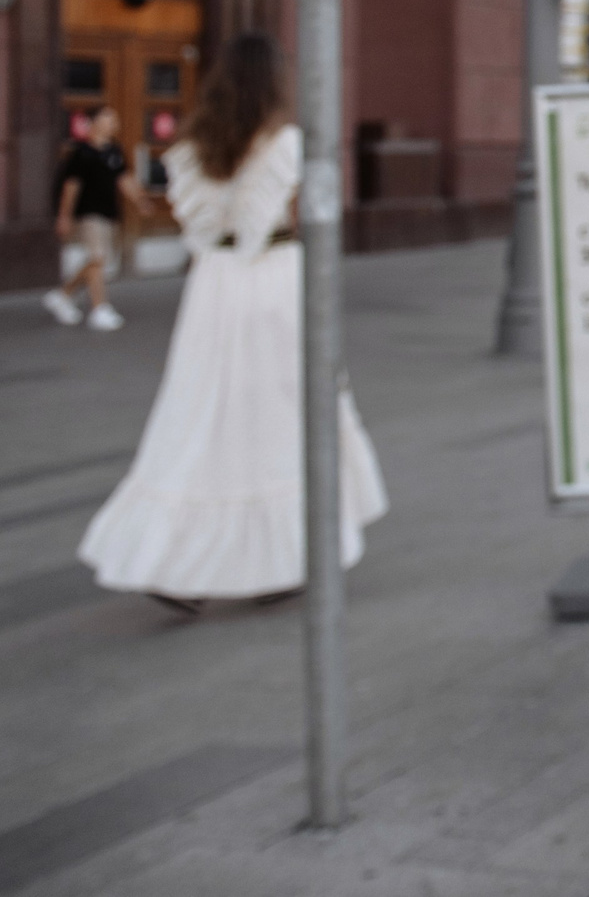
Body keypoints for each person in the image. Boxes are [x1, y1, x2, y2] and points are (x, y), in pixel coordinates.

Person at [77, 34, 387, 614]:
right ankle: (283, 555)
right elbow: (295, 214)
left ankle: (181, 561)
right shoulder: (285, 143)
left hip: (212, 286)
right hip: (272, 277)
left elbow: (196, 226)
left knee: (200, 415)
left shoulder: (191, 147)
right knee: (286, 413)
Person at [44, 105, 141, 331]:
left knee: (97, 260)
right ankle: (100, 309)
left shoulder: (114, 151)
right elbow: (71, 186)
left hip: (109, 212)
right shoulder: (81, 152)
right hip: (87, 214)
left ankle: (63, 294)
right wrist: (64, 216)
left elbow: (123, 179)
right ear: (93, 122)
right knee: (97, 258)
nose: (113, 123)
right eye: (108, 117)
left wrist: (140, 200)